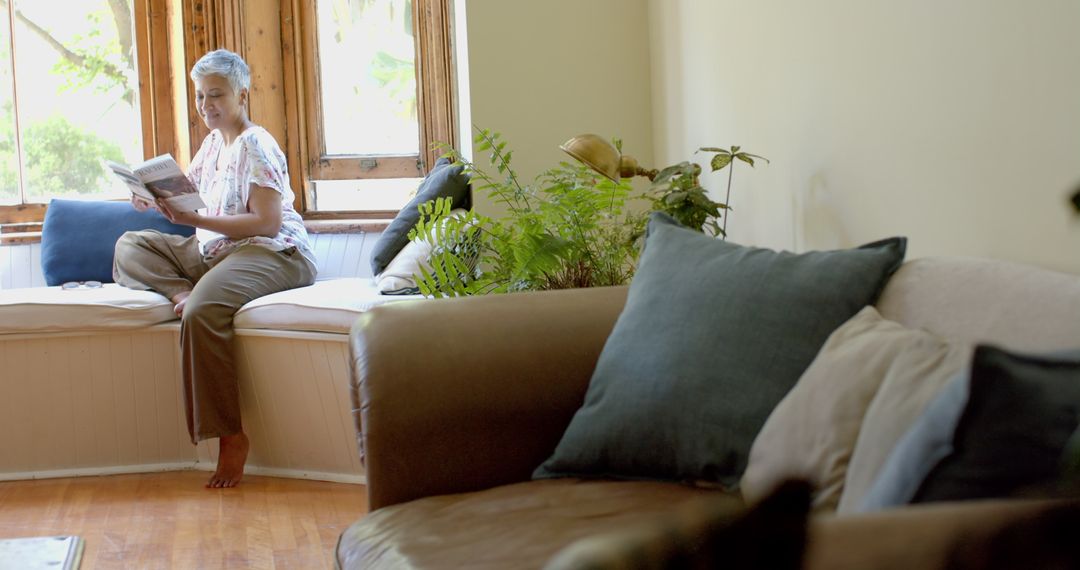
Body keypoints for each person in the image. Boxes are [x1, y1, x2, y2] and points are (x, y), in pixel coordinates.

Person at [113, 49, 317, 488]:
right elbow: (189, 204)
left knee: (204, 312)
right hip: (215, 251)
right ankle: (179, 292)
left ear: (242, 94)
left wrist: (196, 222)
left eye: (216, 95)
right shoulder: (210, 145)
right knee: (130, 246)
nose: (207, 105)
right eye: (201, 97)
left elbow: (266, 222)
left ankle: (231, 437)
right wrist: (151, 200)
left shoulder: (256, 144)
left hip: (270, 251)